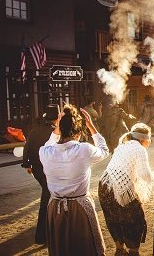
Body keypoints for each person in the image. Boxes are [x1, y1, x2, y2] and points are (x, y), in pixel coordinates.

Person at [39, 105, 110, 255]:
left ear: (60, 130)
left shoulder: (45, 152)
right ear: (78, 133)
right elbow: (104, 151)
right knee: (85, 249)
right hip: (80, 207)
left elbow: (50, 142)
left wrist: (58, 126)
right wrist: (91, 126)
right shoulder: (84, 149)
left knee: (61, 249)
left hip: (55, 207)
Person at [98, 123, 154, 256]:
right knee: (136, 219)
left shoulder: (122, 146)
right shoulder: (139, 149)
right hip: (119, 187)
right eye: (149, 139)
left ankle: (120, 250)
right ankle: (133, 252)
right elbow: (144, 173)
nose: (149, 142)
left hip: (105, 186)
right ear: (143, 139)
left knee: (114, 218)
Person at [21, 104, 59, 244]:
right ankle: (42, 235)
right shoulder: (56, 132)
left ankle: (45, 233)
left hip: (37, 169)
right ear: (57, 118)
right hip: (50, 169)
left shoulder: (34, 130)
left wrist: (27, 164)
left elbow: (27, 147)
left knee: (48, 195)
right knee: (48, 197)